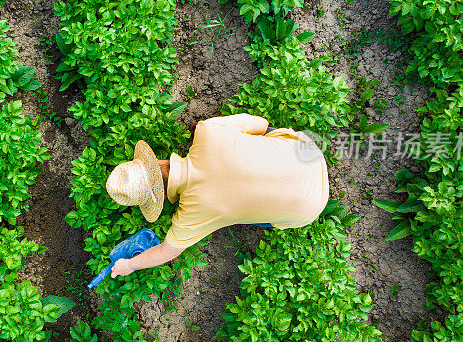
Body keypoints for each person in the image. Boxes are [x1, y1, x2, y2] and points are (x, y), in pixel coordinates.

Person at [105, 114, 328, 278]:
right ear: (155, 161)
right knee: (259, 136)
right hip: (310, 153)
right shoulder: (208, 130)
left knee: (248, 211)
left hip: (309, 208)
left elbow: (165, 252)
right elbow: (261, 123)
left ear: (160, 200)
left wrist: (129, 265)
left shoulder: (191, 215)